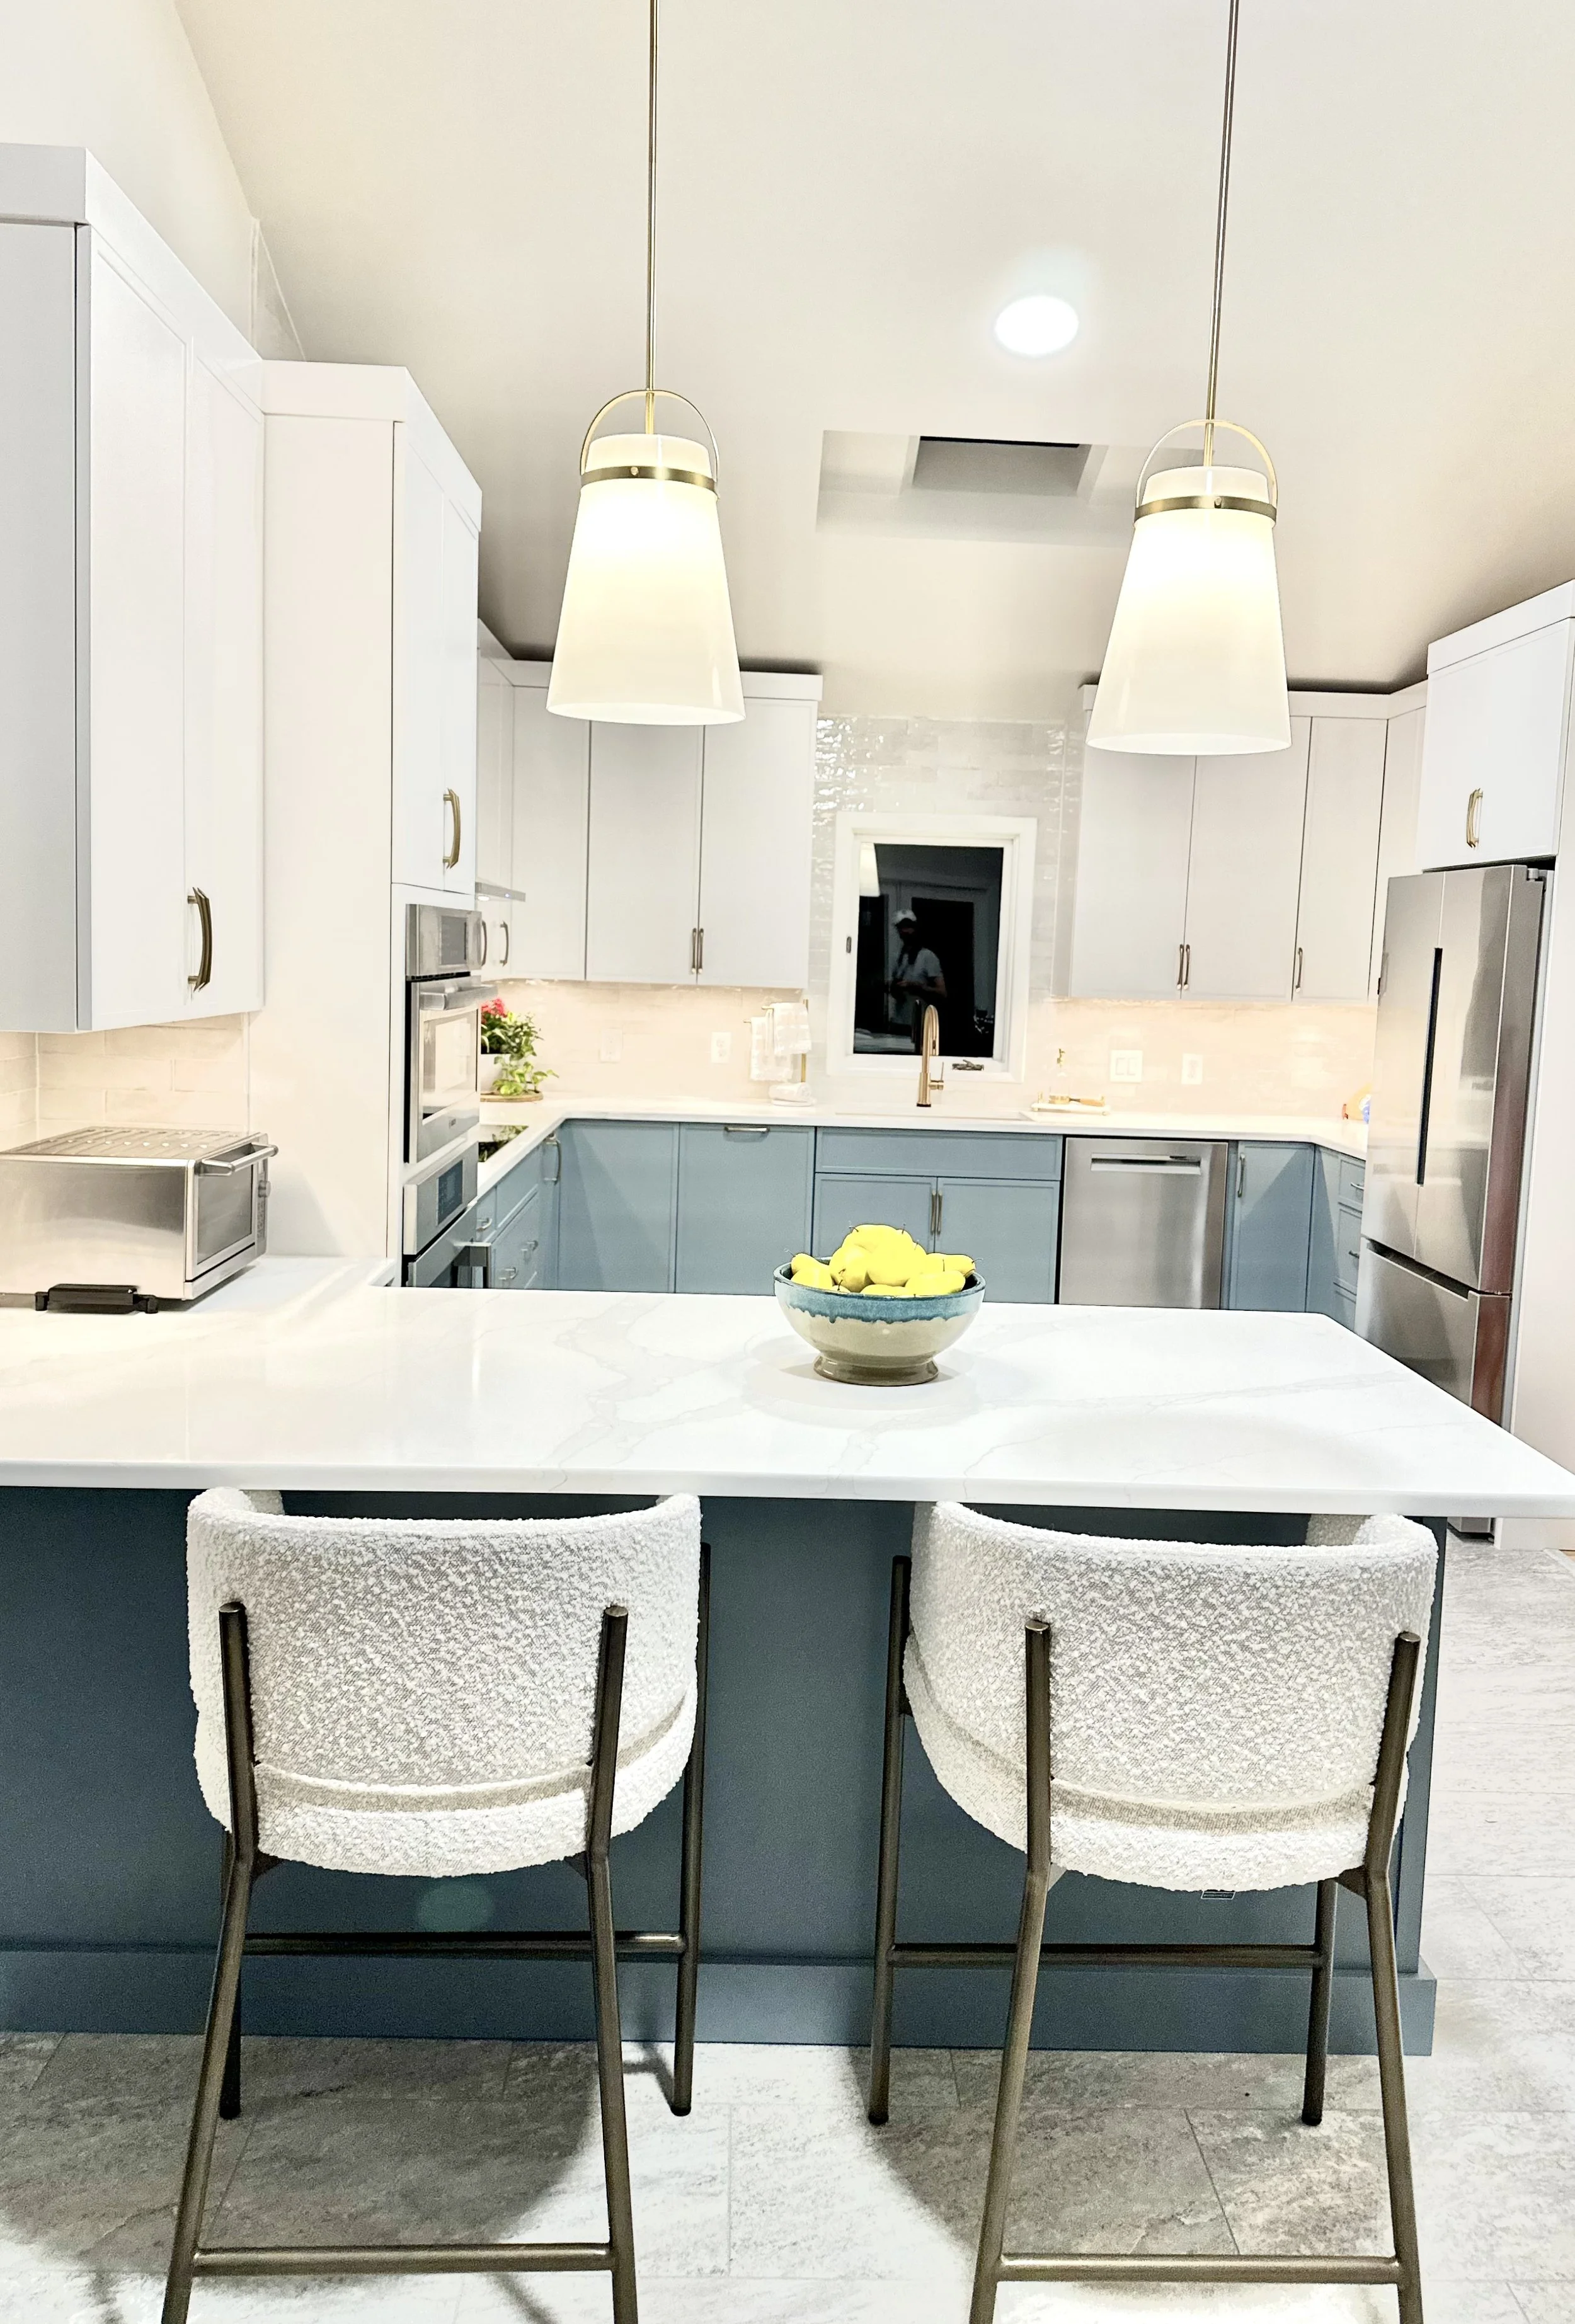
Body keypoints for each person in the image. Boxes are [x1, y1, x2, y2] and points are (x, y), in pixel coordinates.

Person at [888, 908, 946, 1046]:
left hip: (921, 1025)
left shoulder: (928, 956)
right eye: (901, 928)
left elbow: (943, 993)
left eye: (908, 927)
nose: (906, 931)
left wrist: (918, 987)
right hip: (899, 1024)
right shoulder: (898, 957)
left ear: (915, 928)